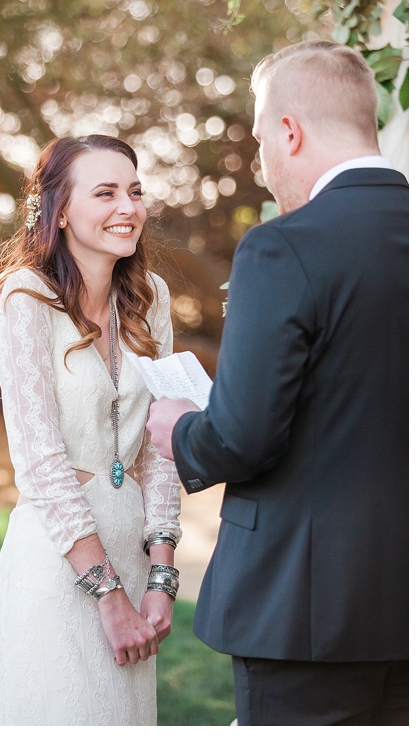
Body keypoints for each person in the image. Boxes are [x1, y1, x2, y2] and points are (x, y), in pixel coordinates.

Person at [146, 41, 407, 727]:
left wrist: (178, 427)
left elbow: (240, 435)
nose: (262, 166)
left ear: (288, 131)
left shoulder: (283, 246)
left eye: (261, 140)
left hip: (305, 609)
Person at [0, 135, 182, 725]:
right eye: (105, 192)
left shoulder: (149, 297)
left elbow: (161, 448)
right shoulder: (26, 298)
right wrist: (107, 596)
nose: (127, 207)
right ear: (59, 212)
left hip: (133, 555)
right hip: (59, 565)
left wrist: (160, 575)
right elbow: (38, 461)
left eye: (134, 192)